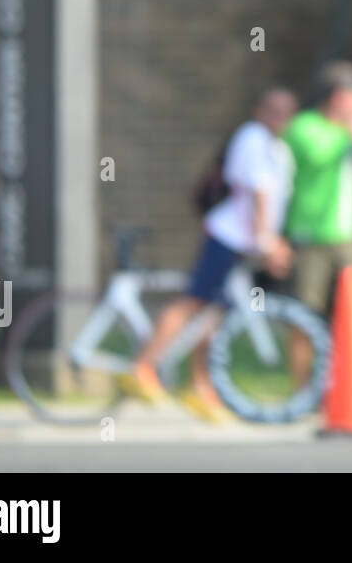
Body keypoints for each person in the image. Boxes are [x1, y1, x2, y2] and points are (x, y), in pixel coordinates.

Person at [123, 87, 298, 421]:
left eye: (285, 111)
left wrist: (271, 240)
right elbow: (260, 194)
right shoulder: (252, 138)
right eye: (272, 109)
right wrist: (266, 242)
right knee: (194, 300)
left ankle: (201, 385)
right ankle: (143, 366)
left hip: (243, 244)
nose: (279, 117)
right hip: (227, 237)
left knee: (215, 316)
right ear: (259, 110)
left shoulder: (279, 150)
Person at [278, 62, 352, 386]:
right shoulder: (304, 126)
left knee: (349, 315)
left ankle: (344, 385)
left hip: (348, 238)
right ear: (339, 96)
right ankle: (303, 386)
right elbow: (318, 155)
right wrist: (350, 127)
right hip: (309, 237)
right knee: (304, 317)